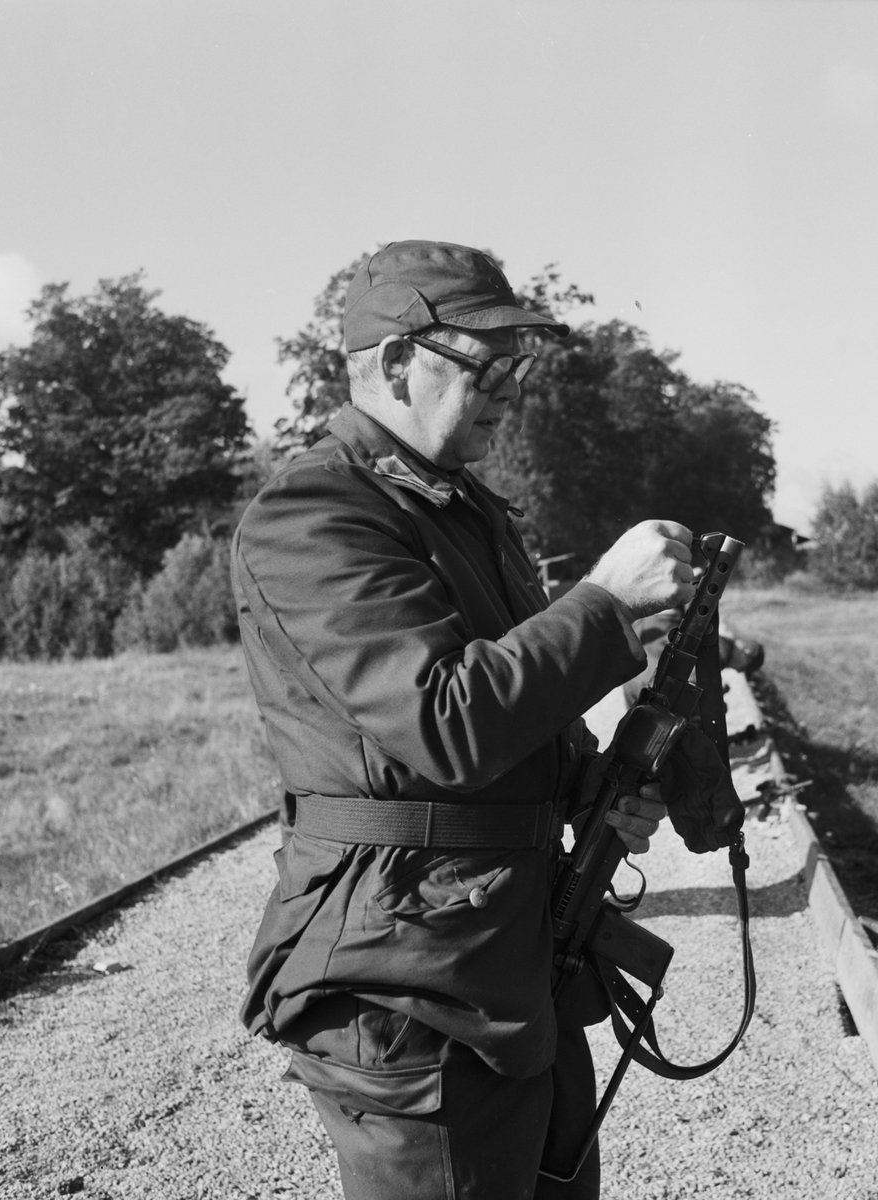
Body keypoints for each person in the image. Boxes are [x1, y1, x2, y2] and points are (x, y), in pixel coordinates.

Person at [232, 241, 707, 1199]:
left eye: (516, 366)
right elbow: (443, 722)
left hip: (504, 958)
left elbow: (514, 717)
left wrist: (587, 788)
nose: (508, 390)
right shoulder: (314, 514)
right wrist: (604, 604)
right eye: (485, 364)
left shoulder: (464, 510)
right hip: (408, 978)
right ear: (396, 360)